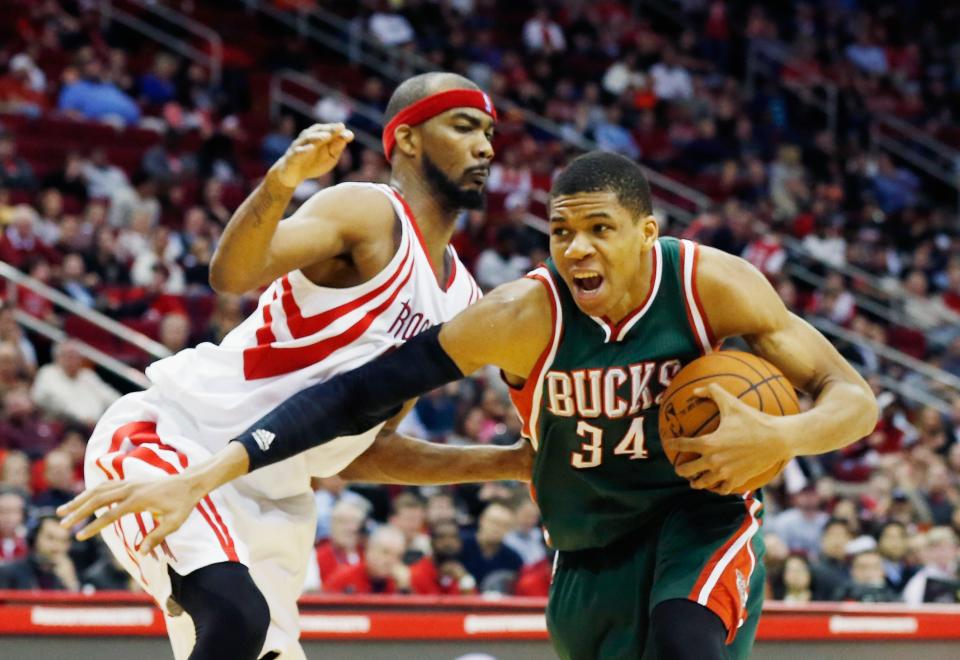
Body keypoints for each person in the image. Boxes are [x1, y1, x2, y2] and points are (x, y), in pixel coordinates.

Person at [62, 152, 878, 659]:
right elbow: (352, 398)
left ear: (647, 232)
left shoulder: (711, 285)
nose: (579, 248)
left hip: (698, 519)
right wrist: (214, 472)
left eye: (600, 229)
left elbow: (853, 397)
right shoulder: (520, 315)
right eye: (563, 232)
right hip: (587, 543)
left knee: (683, 640)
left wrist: (782, 432)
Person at [60, 72, 528, 660]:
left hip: (274, 503)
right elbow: (231, 275)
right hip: (178, 440)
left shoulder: (461, 299)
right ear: (406, 139)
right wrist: (281, 183)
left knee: (248, 632)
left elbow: (364, 447)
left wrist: (510, 462)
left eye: (488, 132)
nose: (486, 145)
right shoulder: (368, 213)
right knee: (236, 617)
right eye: (464, 127)